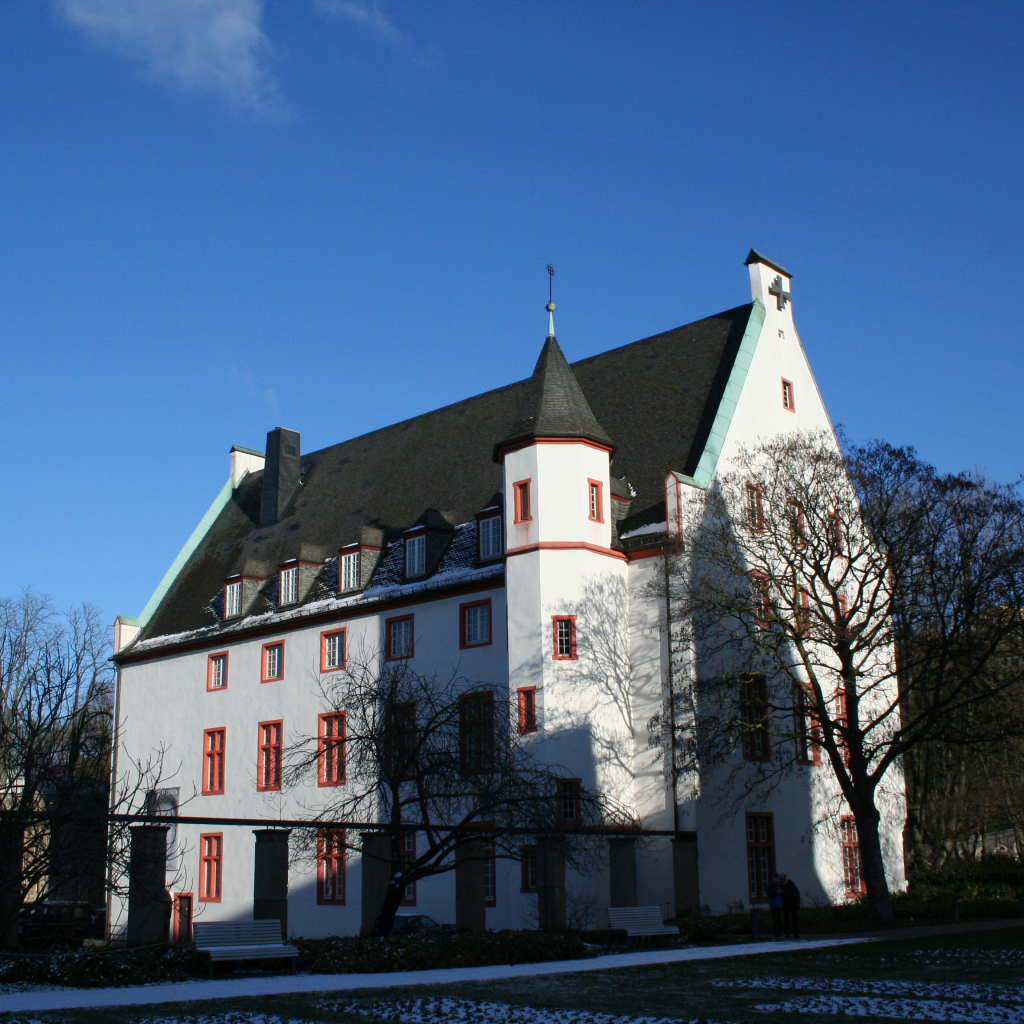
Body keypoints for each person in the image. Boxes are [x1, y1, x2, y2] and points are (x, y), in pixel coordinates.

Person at [781, 873, 801, 938]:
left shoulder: (791, 884)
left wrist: (797, 902)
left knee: (794, 919)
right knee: (787, 919)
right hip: (786, 904)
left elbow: (796, 893)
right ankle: (787, 933)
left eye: (782, 878)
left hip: (793, 904)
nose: (781, 880)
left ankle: (795, 933)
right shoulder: (781, 885)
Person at [766, 873, 783, 939]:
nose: (776, 879)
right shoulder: (770, 886)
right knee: (775, 920)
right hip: (774, 905)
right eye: (774, 878)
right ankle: (775, 933)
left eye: (776, 878)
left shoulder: (779, 885)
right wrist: (776, 892)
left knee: (779, 920)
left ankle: (779, 933)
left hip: (779, 904)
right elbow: (770, 895)